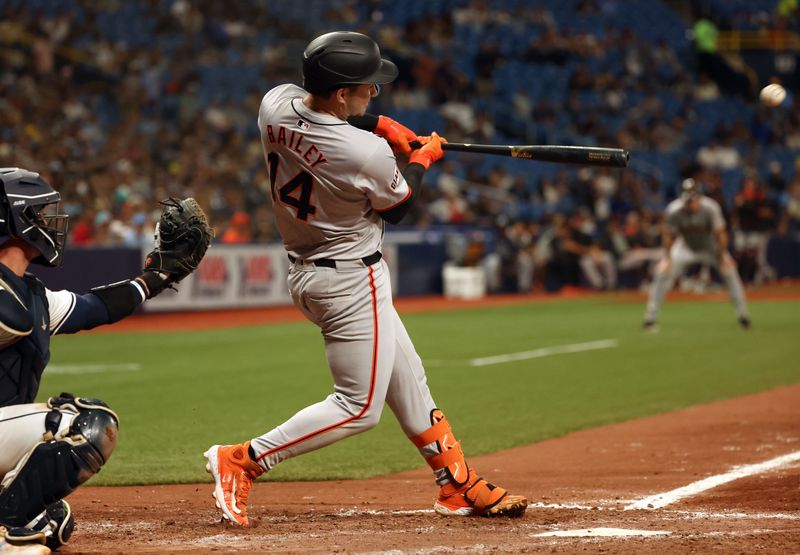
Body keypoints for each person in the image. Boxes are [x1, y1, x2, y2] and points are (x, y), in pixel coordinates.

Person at [204, 31, 527, 527]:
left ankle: (455, 483)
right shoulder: (364, 153)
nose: (372, 94)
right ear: (340, 93)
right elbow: (399, 207)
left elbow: (339, 123)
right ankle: (243, 460)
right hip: (349, 279)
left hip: (313, 270)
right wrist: (421, 159)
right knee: (359, 408)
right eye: (366, 88)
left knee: (409, 380)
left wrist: (384, 125)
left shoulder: (276, 105)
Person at [0, 168, 208, 553]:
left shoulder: (31, 294)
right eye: (39, 214)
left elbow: (94, 308)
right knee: (85, 425)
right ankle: (5, 538)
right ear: (14, 220)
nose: (50, 223)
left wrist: (155, 277)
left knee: (55, 518)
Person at [643, 178, 751, 330]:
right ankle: (650, 318)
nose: (691, 204)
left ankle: (743, 316)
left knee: (730, 271)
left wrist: (722, 256)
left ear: (700, 197)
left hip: (710, 247)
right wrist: (667, 259)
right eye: (688, 200)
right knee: (662, 273)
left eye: (694, 199)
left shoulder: (711, 208)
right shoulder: (674, 210)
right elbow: (667, 235)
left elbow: (720, 234)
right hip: (685, 246)